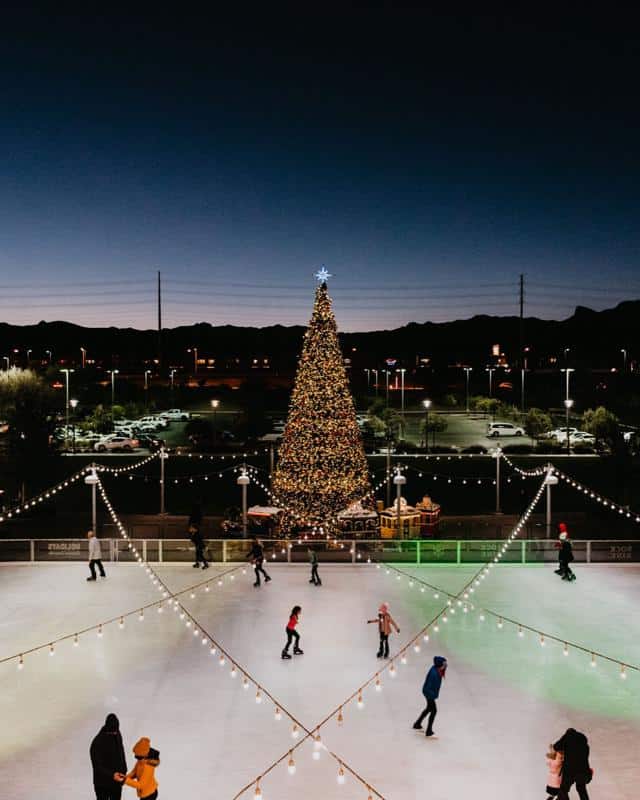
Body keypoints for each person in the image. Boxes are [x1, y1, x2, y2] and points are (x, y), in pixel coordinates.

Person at [90, 713, 127, 800]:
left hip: (116, 782)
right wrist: (112, 775)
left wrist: (124, 770)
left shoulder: (117, 733)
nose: (115, 733)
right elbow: (97, 766)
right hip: (102, 784)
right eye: (113, 731)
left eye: (116, 731)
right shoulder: (97, 743)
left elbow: (121, 751)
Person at [553, 728, 592, 800]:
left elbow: (556, 746)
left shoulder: (567, 737)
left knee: (563, 790)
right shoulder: (585, 745)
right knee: (581, 789)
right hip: (583, 770)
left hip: (570, 770)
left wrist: (563, 738)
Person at [413, 655, 447, 737]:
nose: (445, 666)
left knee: (429, 708)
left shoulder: (436, 669)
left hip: (429, 692)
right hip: (428, 693)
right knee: (434, 710)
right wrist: (432, 696)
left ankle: (417, 723)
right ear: (440, 665)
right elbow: (428, 687)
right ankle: (428, 730)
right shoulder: (434, 674)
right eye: (444, 665)